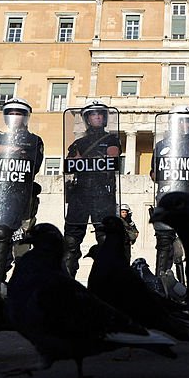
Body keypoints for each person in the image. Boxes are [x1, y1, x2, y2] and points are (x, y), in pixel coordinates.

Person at [0, 98, 43, 294]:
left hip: (20, 196)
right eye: (11, 113)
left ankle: (16, 284)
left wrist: (2, 151)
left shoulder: (34, 140)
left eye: (18, 114)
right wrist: (12, 149)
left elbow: (33, 162)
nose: (14, 117)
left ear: (25, 117)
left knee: (19, 242)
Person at [63, 101, 121, 276]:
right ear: (87, 118)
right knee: (71, 240)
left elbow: (112, 156)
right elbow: (71, 164)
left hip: (103, 191)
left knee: (105, 239)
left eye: (101, 114)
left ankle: (104, 280)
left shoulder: (112, 139)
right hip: (80, 193)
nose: (98, 117)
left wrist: (85, 159)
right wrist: (94, 158)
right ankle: (67, 282)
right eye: (94, 114)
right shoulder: (79, 142)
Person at [151, 106, 189, 276]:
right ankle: (161, 281)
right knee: (164, 243)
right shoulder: (161, 145)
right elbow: (154, 174)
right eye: (181, 121)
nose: (185, 125)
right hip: (168, 198)